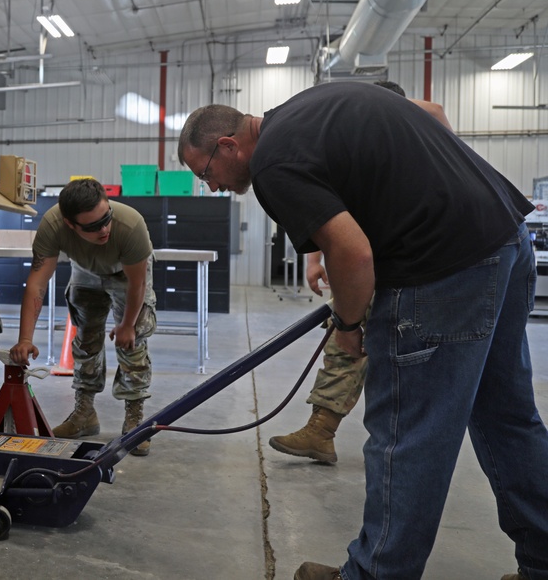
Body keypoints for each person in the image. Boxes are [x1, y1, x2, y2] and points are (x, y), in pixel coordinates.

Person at [178, 81, 548, 580]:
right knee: (507, 415)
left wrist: (348, 325)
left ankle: (376, 574)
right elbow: (431, 116)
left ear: (228, 146)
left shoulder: (272, 164)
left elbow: (353, 254)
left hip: (443, 266)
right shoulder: (309, 106)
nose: (212, 186)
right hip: (505, 234)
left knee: (407, 432)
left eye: (206, 172)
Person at [269, 81, 452, 464]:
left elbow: (433, 111)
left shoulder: (410, 139)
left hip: (409, 262)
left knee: (378, 349)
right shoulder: (355, 147)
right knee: (345, 337)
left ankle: (341, 433)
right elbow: (329, 209)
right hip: (364, 259)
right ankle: (323, 429)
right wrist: (315, 260)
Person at [9, 178, 158, 456]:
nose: (103, 230)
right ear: (70, 224)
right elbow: (37, 284)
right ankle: (85, 415)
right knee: (86, 340)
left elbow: (137, 283)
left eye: (106, 219)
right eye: (92, 226)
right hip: (86, 270)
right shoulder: (53, 226)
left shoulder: (130, 225)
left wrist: (126, 325)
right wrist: (25, 339)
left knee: (132, 342)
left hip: (126, 275)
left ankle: (135, 419)